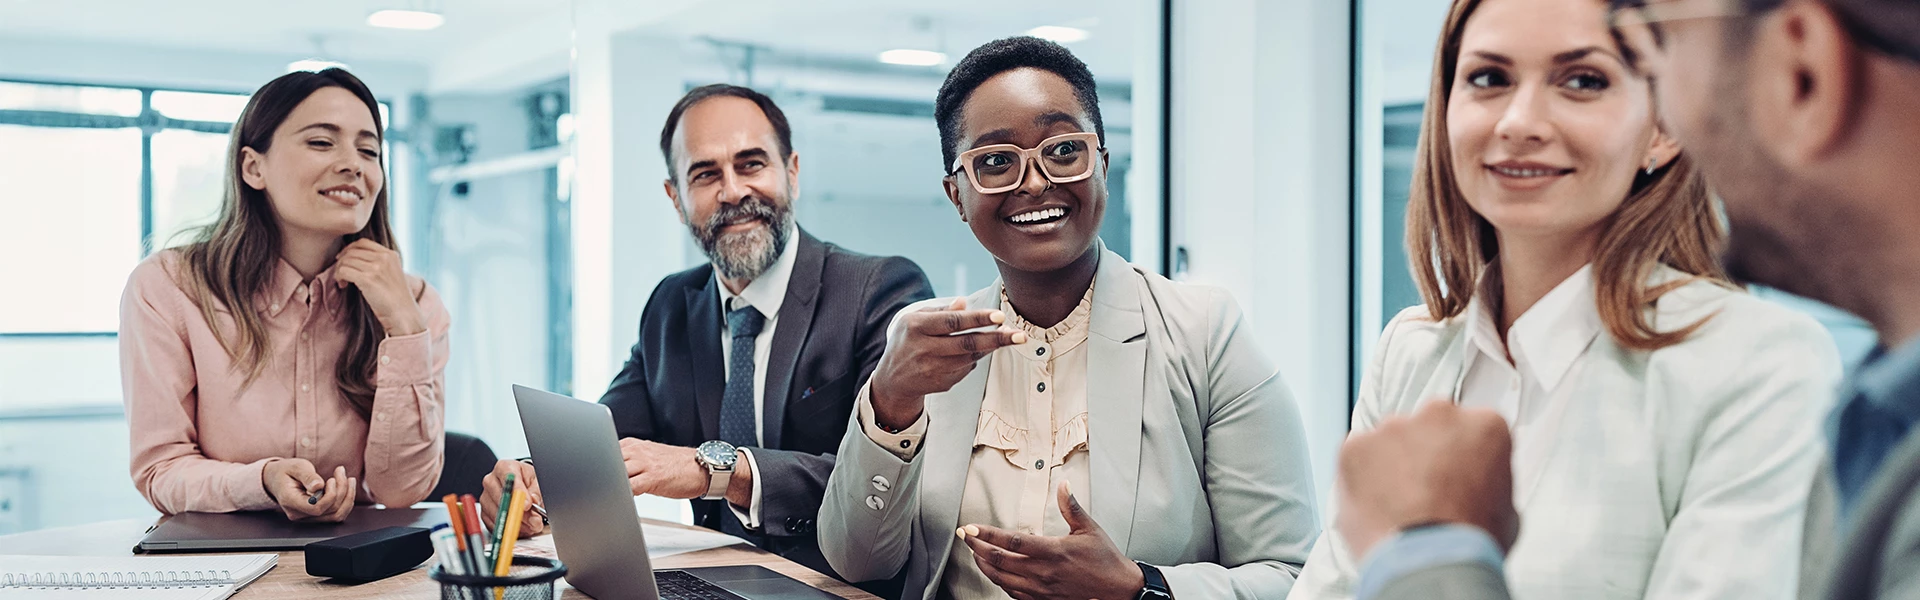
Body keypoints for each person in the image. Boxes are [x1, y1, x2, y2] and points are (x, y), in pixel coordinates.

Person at [1337, 0, 1920, 598]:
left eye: (1583, 81)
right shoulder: (1410, 352)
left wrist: (1437, 554)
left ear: (1662, 124)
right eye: (1489, 78)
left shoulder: (1760, 361)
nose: (1518, 122)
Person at [817, 36, 1320, 600]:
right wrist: (890, 400)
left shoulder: (1206, 334)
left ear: (1101, 165)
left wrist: (1139, 589)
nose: (1034, 183)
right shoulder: (933, 348)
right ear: (957, 196)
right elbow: (856, 562)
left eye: (1063, 150)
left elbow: (1291, 577)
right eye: (997, 161)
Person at [480, 84, 934, 577]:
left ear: (793, 173)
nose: (734, 191)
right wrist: (532, 478)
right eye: (705, 174)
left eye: (752, 164)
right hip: (713, 580)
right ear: (676, 198)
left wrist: (710, 470)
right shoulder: (672, 306)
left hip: (840, 586)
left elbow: (887, 482)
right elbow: (606, 441)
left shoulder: (877, 291)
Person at [120, 68, 450, 523]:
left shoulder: (417, 304)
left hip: (364, 573)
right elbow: (161, 470)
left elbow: (401, 491)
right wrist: (262, 481)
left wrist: (405, 328)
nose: (353, 163)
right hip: (222, 568)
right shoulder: (168, 287)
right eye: (321, 142)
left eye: (369, 149)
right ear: (254, 167)